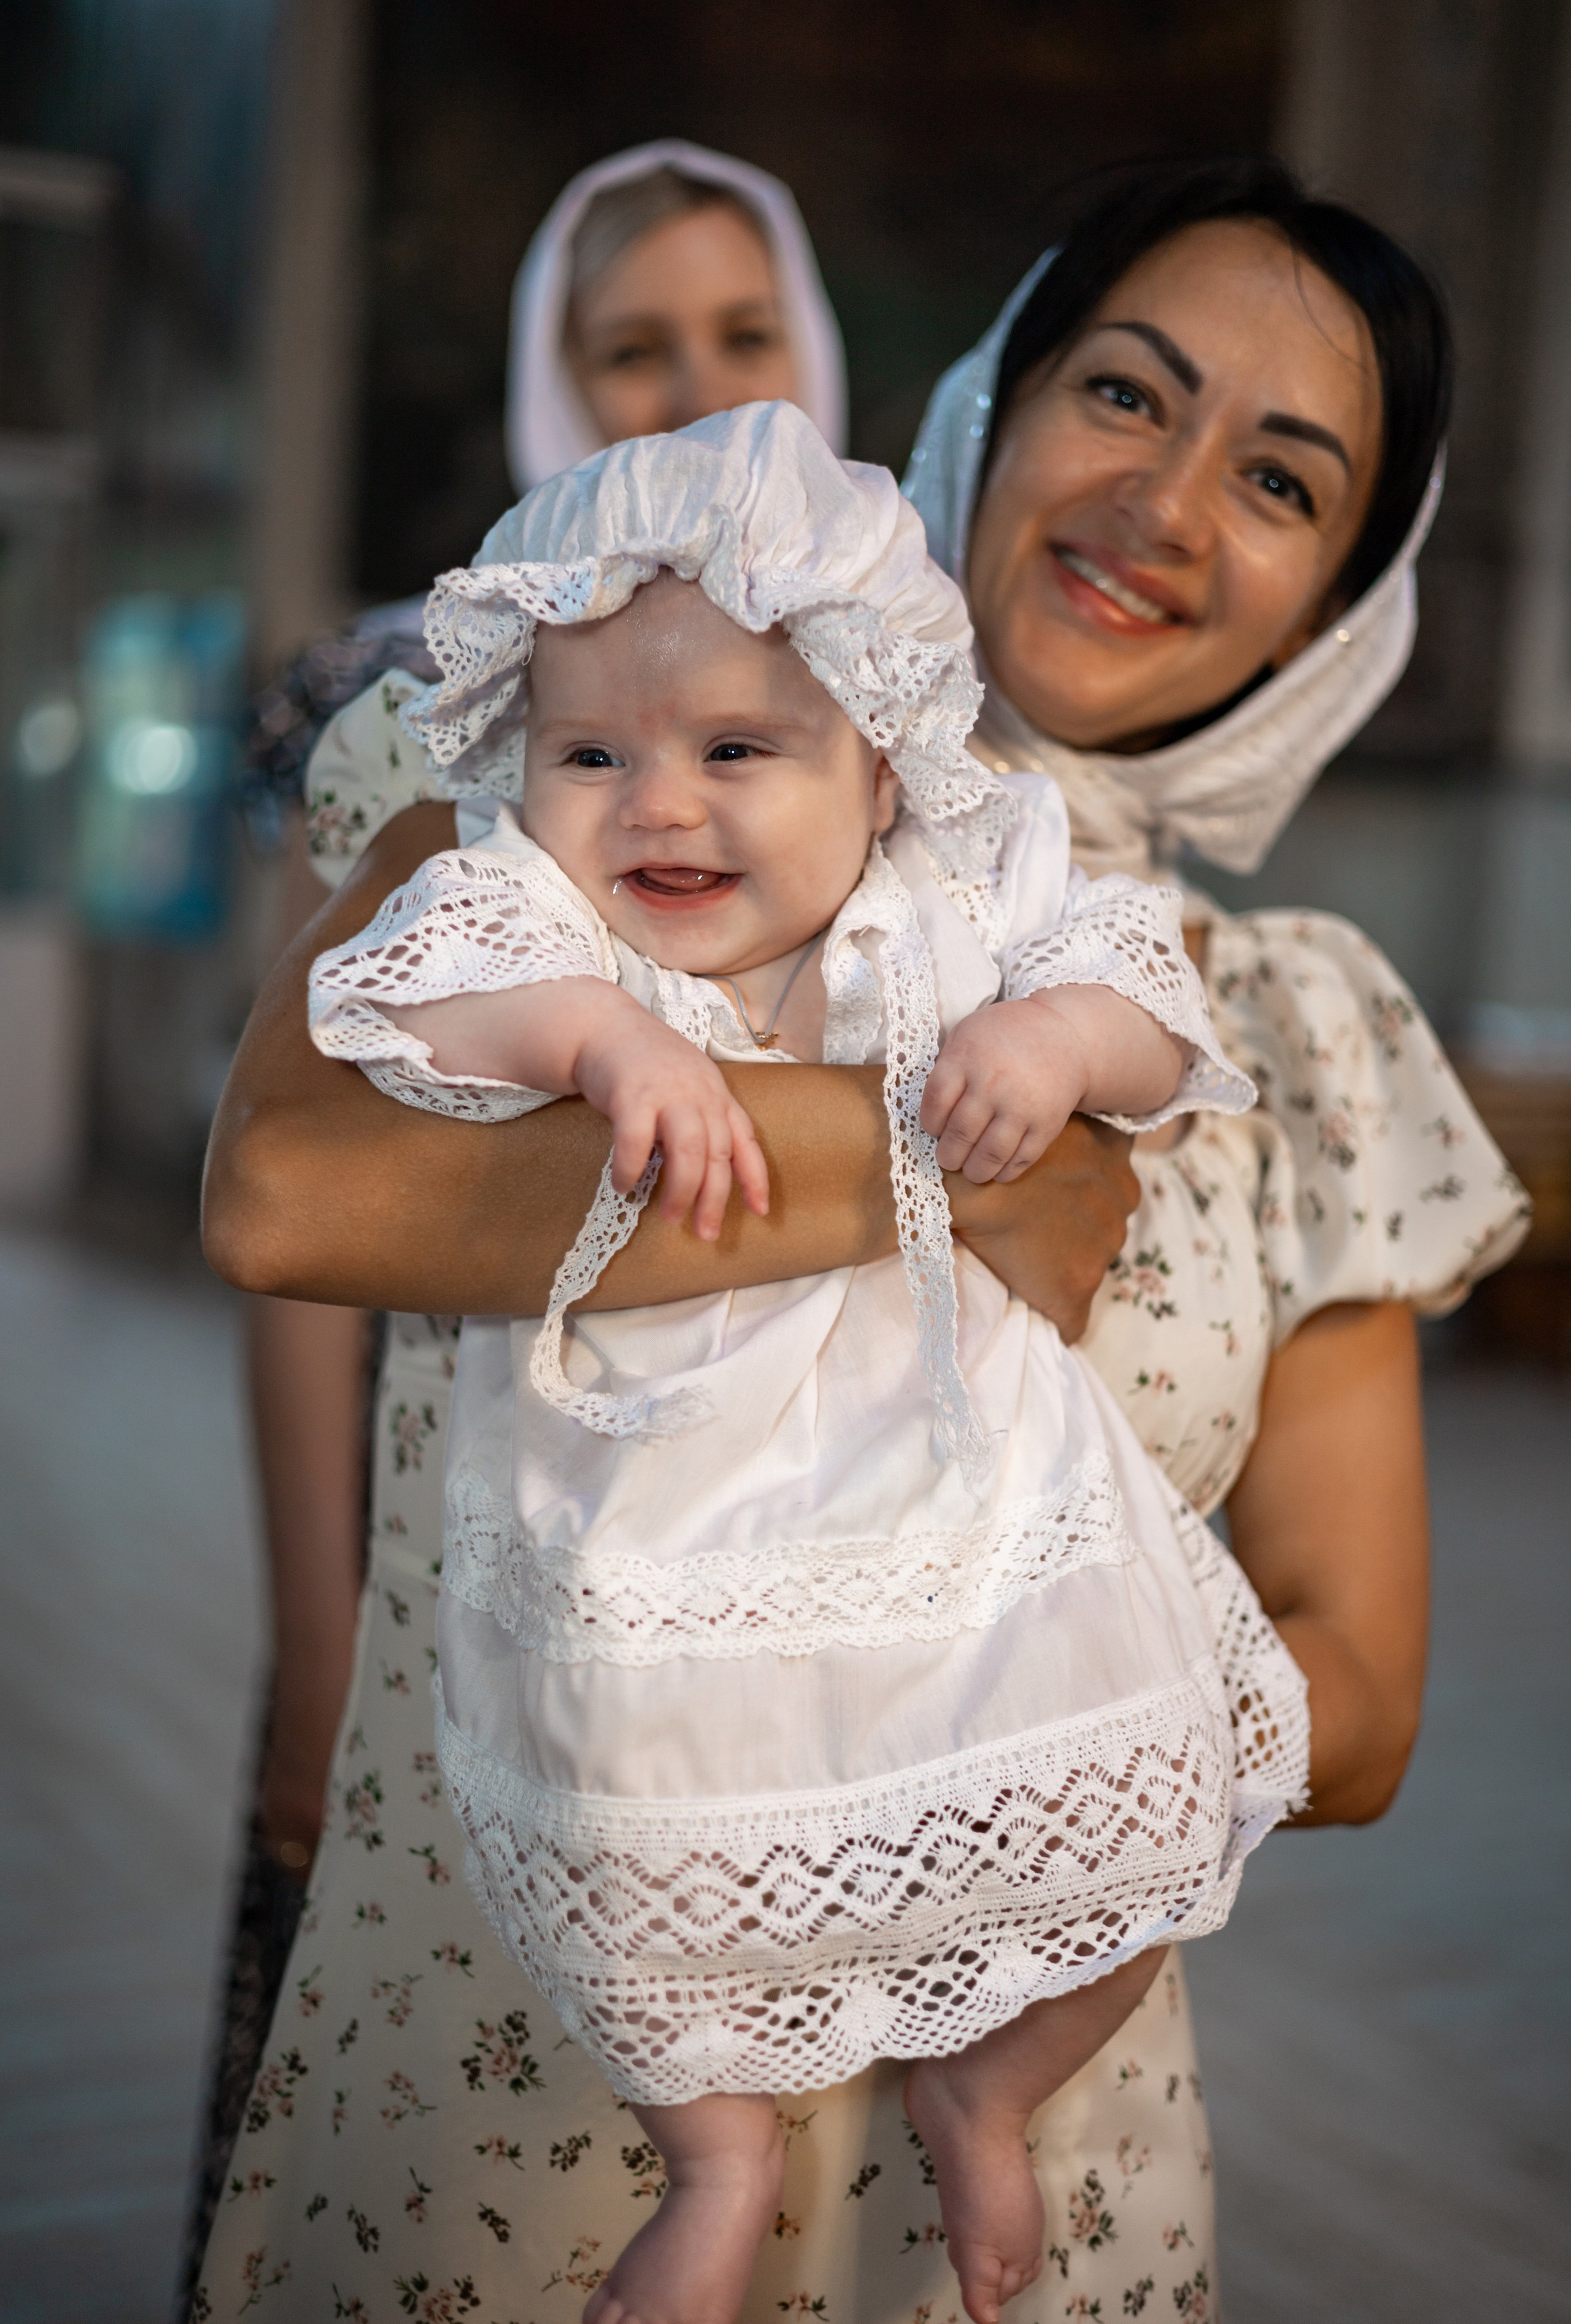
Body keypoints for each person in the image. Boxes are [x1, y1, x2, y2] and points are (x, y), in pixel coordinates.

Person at [195, 158, 1527, 2321]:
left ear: (1336, 609)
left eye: (1281, 480)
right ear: (994, 395)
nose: (1170, 505)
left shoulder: (1286, 1022)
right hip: (515, 2083)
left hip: (1010, 2162)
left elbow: (1358, 1692)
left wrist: (1012, 1724)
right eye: (1127, 392)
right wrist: (947, 1166)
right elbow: (285, 1188)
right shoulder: (573, 745)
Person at [304, 401, 1299, 2324]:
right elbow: (407, 986)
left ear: (884, 760)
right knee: (637, 1844)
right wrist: (602, 1039)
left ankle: (986, 2093)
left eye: (738, 750)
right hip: (660, 1525)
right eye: (594, 752)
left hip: (957, 1506)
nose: (659, 806)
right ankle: (718, 2157)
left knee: (1170, 1784)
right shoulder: (549, 915)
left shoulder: (965, 889)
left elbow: (1157, 1014)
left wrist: (1060, 1051)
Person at [182, 140, 847, 2291]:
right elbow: (301, 1194)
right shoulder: (421, 693)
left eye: (740, 335)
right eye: (627, 344)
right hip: (471, 1508)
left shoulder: (871, 682)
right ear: (549, 379)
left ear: (812, 353)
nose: (690, 384)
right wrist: (311, 1637)